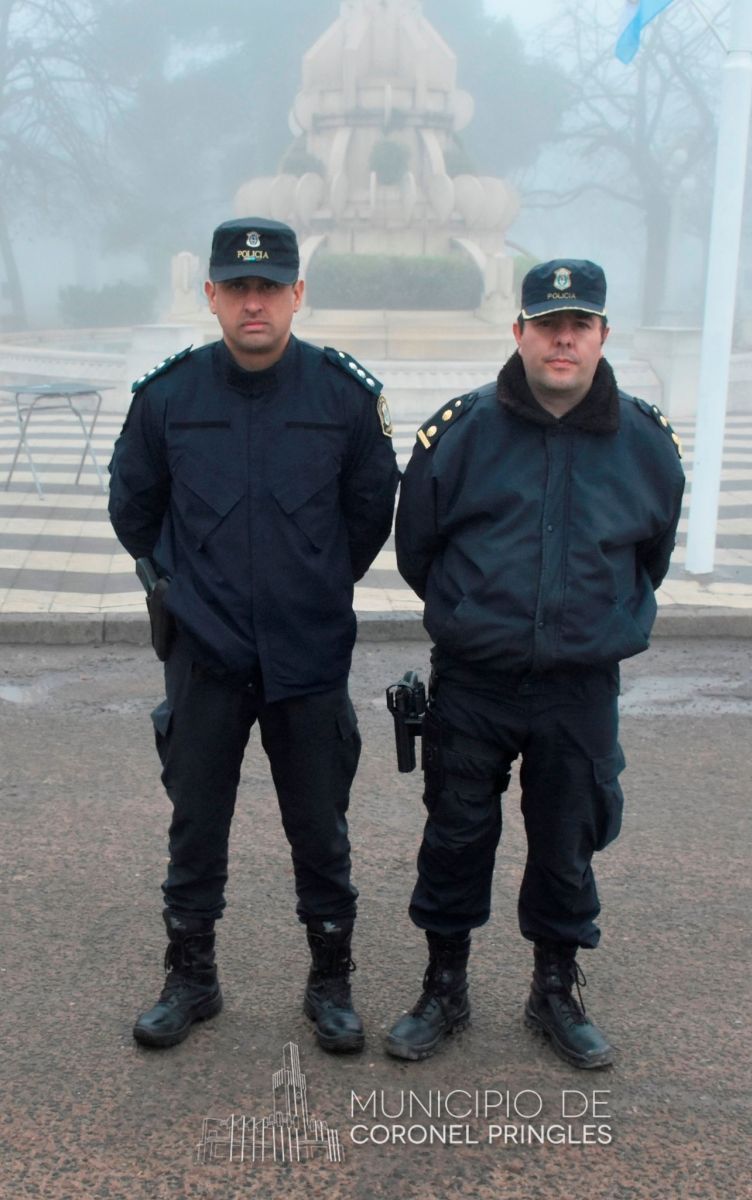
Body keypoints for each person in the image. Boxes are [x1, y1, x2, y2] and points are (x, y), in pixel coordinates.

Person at [108, 217, 399, 1054]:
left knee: (320, 825)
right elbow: (134, 507)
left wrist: (307, 584)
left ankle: (330, 983)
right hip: (203, 655)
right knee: (195, 824)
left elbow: (367, 514)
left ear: (297, 294)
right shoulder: (167, 397)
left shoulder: (343, 397)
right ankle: (191, 979)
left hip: (305, 652)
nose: (253, 302)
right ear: (211, 297)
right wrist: (181, 589)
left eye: (269, 286)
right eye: (237, 288)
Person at [386, 259, 684, 1069]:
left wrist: (579, 623)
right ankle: (443, 987)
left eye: (578, 324)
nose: (562, 338)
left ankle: (554, 989)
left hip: (578, 686)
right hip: (475, 680)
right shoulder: (460, 433)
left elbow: (646, 557)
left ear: (601, 335)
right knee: (453, 836)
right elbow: (420, 550)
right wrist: (482, 618)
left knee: (566, 842)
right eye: (546, 323)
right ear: (517, 331)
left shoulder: (646, 444)